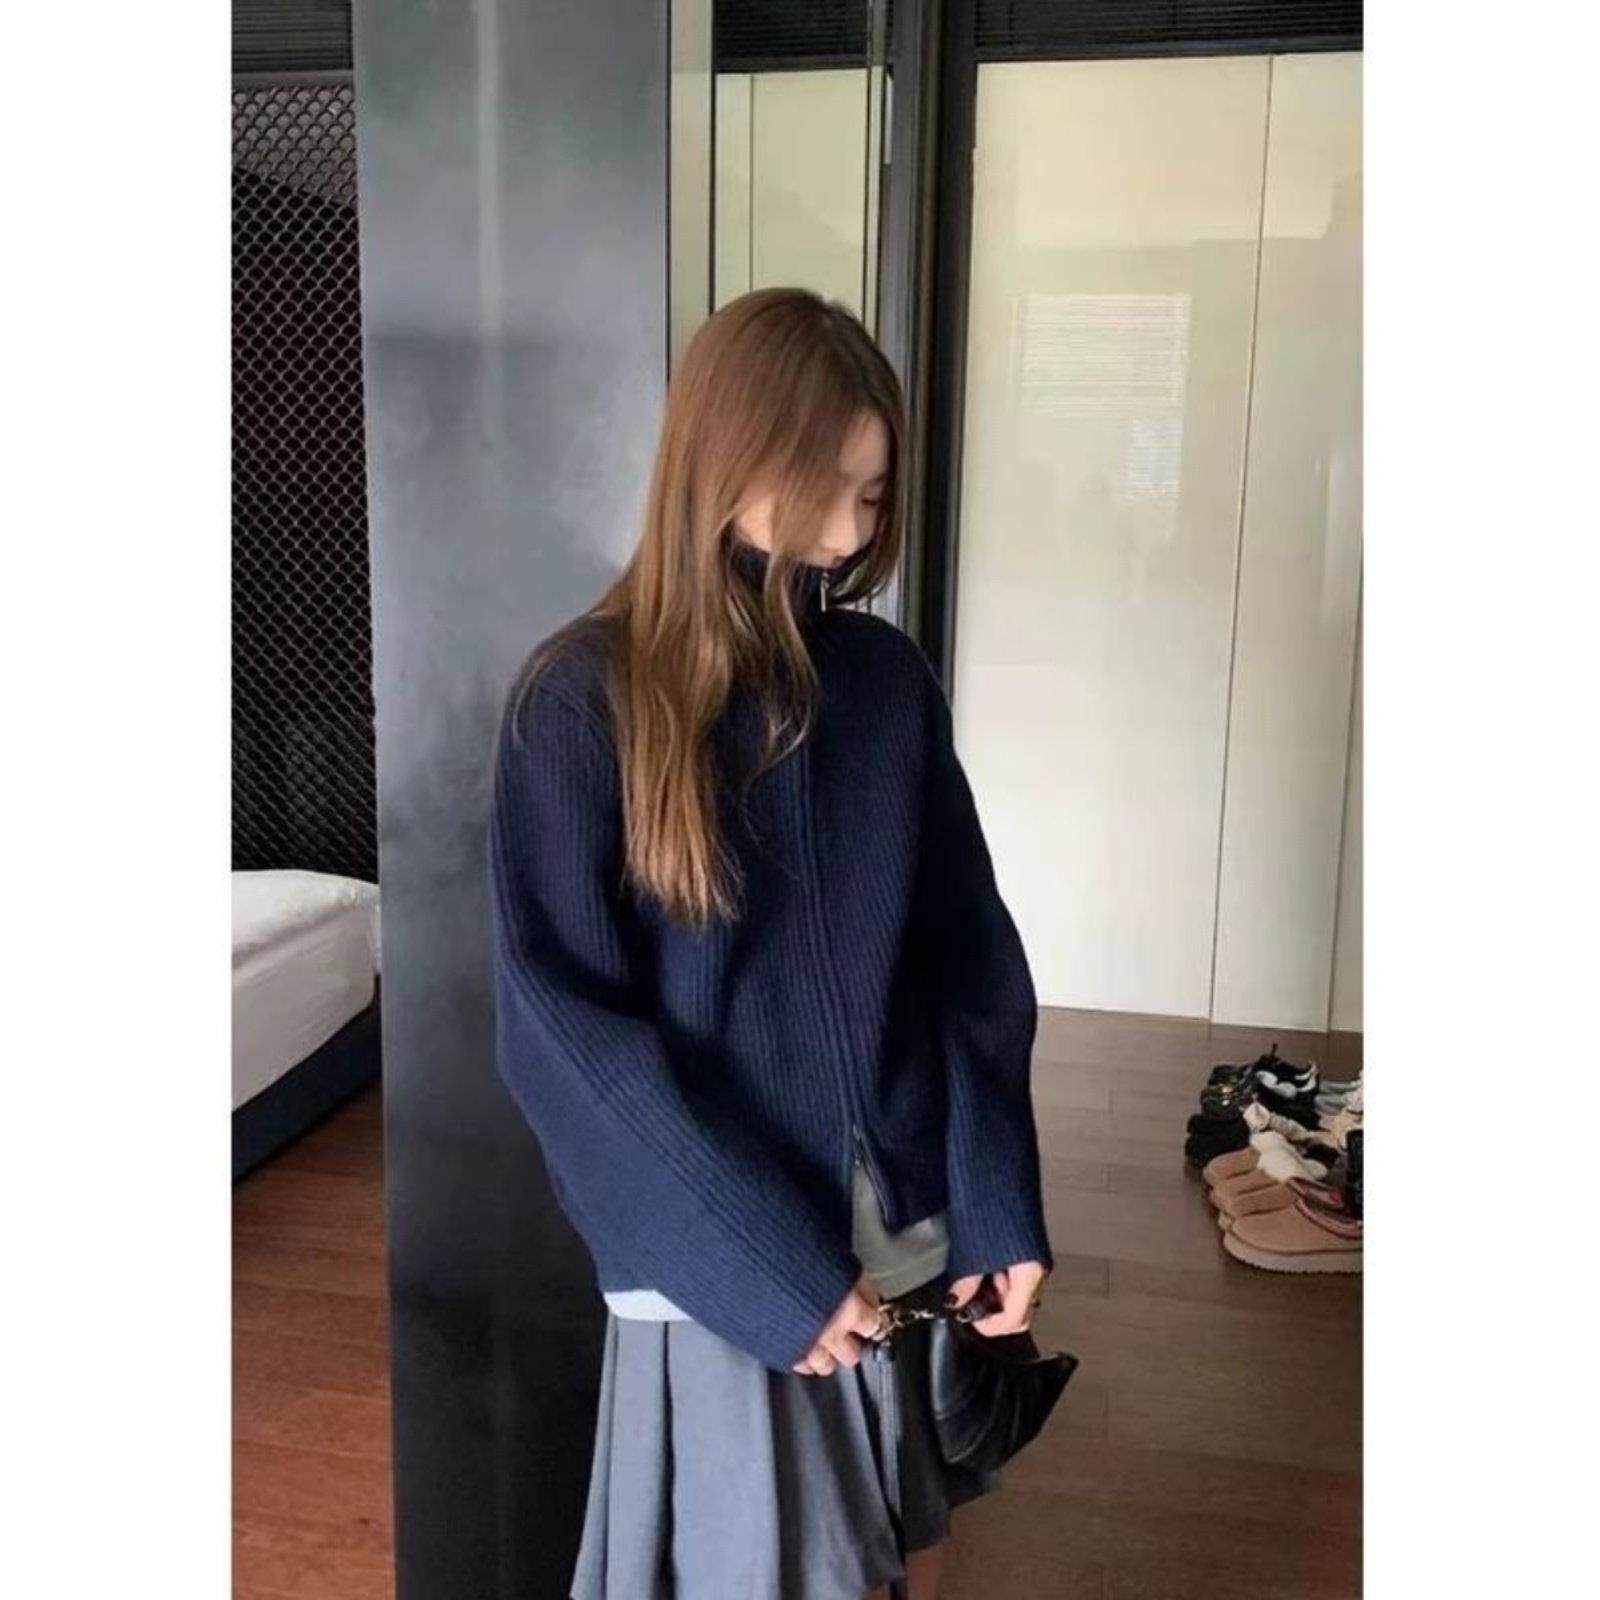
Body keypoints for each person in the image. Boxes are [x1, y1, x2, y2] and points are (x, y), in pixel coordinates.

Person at [488, 286, 1053, 1600]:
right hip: (724, 1263)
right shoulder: (582, 703)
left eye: (874, 490)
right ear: (729, 458)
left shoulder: (885, 683)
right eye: (829, 487)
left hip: (903, 1235)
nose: (855, 528)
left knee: (891, 1557)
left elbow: (968, 963)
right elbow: (563, 1037)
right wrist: (762, 1266)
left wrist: (995, 1202)